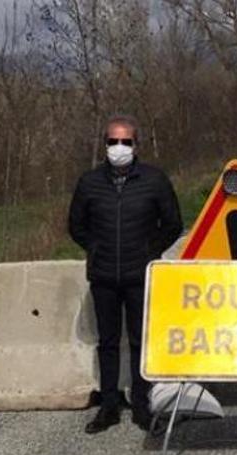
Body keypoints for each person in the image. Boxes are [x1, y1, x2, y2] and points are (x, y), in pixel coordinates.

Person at [68, 115, 183, 433]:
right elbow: (76, 225)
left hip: (140, 275)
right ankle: (108, 407)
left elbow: (173, 223)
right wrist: (95, 248)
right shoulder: (89, 182)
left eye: (125, 141)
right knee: (106, 342)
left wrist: (151, 250)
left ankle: (143, 407)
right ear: (104, 144)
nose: (119, 147)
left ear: (136, 145)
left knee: (140, 341)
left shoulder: (154, 180)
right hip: (103, 275)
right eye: (112, 141)